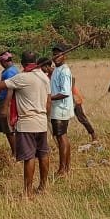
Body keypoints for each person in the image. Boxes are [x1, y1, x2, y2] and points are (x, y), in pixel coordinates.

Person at [0, 50, 51, 197]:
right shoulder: (45, 78)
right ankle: (43, 187)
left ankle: (28, 191)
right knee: (43, 154)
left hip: (27, 123)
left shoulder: (21, 78)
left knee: (29, 157)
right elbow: (48, 102)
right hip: (42, 121)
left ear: (22, 63)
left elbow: (0, 86)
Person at [49, 45, 74, 178]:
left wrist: (49, 98)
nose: (56, 57)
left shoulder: (64, 71)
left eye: (58, 54)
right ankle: (65, 167)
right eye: (54, 54)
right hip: (57, 108)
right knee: (62, 137)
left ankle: (63, 169)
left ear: (64, 55)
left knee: (61, 137)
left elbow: (65, 92)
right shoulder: (57, 70)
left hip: (61, 108)